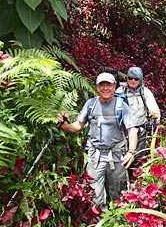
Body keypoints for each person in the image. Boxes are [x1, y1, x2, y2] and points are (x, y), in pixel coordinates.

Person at [57, 72, 138, 212]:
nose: (105, 88)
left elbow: (132, 130)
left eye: (109, 85)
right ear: (97, 87)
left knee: (119, 191)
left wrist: (131, 152)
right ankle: (101, 225)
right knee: (94, 193)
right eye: (102, 85)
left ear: (114, 87)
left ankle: (120, 222)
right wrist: (63, 125)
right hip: (95, 156)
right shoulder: (91, 104)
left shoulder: (121, 106)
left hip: (118, 155)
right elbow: (77, 126)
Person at [116, 67, 160, 170]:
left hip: (140, 129)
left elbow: (153, 108)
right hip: (123, 130)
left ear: (140, 80)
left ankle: (134, 180)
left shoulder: (145, 92)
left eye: (136, 79)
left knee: (138, 157)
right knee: (122, 156)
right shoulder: (120, 91)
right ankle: (122, 179)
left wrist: (154, 114)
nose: (133, 81)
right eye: (130, 78)